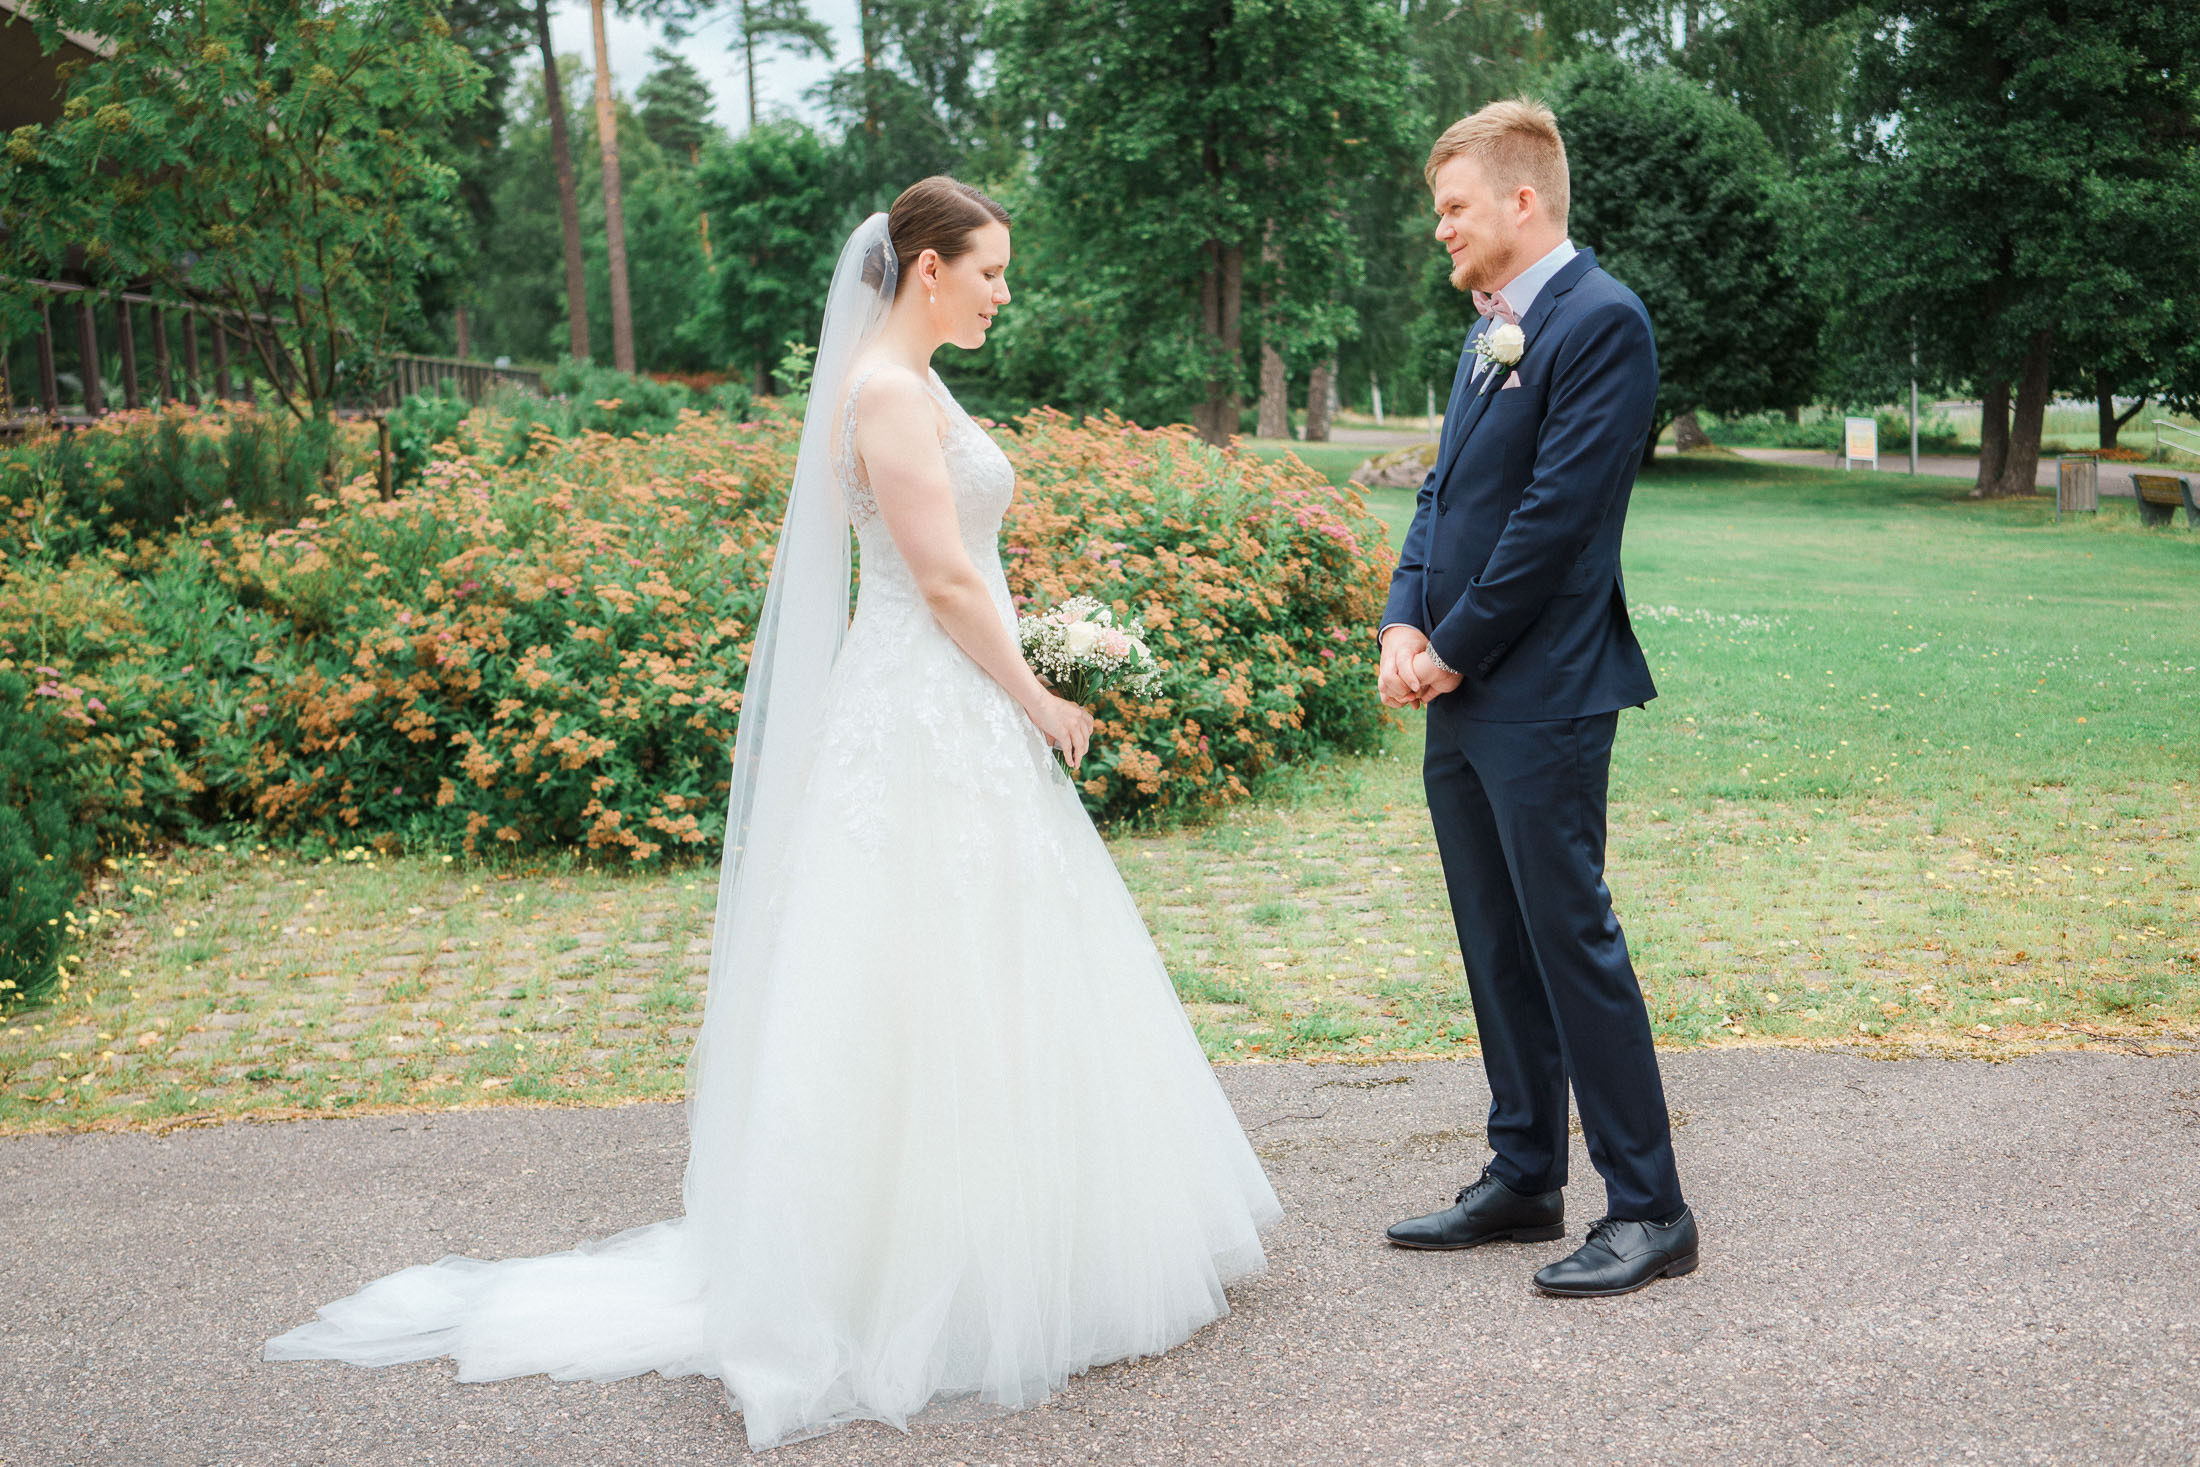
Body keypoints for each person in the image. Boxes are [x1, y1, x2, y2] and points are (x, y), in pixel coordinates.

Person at [266, 179, 1280, 1449]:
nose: (1002, 292)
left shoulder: (919, 381)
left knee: (987, 955)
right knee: (915, 962)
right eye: (991, 272)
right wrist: (1039, 696)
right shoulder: (886, 394)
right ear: (926, 270)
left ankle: (1017, 1230)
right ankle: (899, 1270)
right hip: (927, 701)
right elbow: (946, 579)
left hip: (942, 700)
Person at [1376, 101, 1698, 1297]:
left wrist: (1449, 647)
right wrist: (1402, 622)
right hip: (1463, 687)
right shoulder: (1489, 331)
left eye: (1452, 208)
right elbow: (1441, 497)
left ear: (1522, 201)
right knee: (1493, 939)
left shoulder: (1601, 321)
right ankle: (1523, 1175)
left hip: (1546, 689)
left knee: (1570, 944)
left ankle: (1651, 1207)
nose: (1440, 230)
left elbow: (1554, 524)